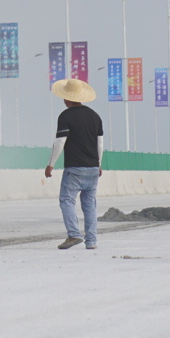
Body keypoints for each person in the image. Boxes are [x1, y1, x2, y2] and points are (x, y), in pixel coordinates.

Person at [44, 76, 103, 249]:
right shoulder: (95, 116)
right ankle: (91, 242)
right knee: (89, 205)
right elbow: (100, 143)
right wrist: (99, 164)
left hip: (75, 168)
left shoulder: (66, 116)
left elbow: (60, 142)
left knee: (67, 201)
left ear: (68, 98)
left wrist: (51, 164)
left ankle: (74, 235)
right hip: (93, 168)